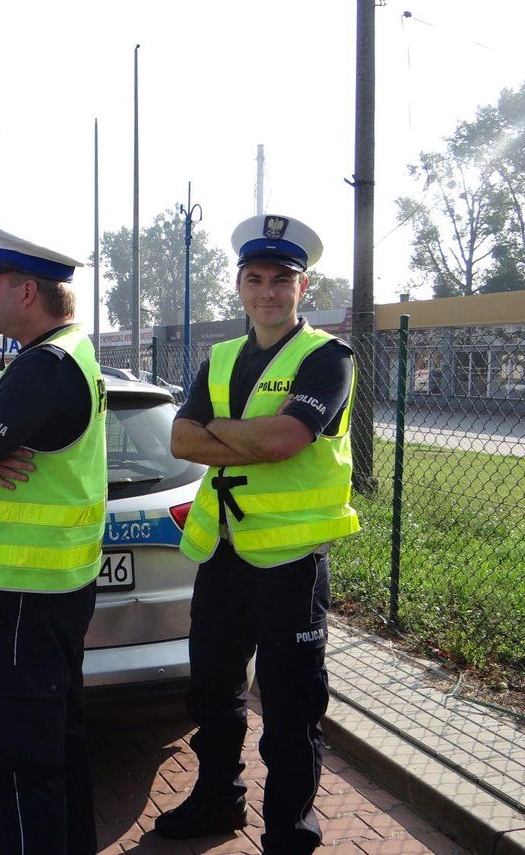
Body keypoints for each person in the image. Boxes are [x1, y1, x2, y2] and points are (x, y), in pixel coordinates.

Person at [156, 214, 360, 854]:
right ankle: (219, 802)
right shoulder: (217, 358)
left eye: (281, 280)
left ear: (304, 287)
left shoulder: (327, 358)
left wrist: (222, 437)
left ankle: (290, 832)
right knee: (212, 694)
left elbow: (286, 439)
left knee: (292, 709)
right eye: (255, 279)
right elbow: (178, 438)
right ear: (239, 286)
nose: (267, 292)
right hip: (221, 555)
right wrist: (247, 440)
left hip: (291, 564)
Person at [0, 222, 107, 855]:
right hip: (60, 587)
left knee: (17, 760)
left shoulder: (41, 369)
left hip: (26, 595)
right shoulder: (76, 352)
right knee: (60, 739)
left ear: (28, 292)